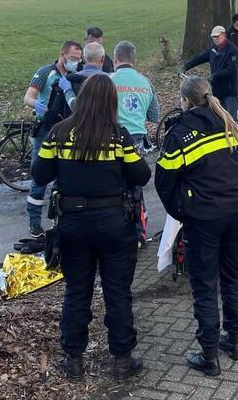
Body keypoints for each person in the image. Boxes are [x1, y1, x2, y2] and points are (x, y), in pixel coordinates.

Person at [31, 75, 151, 381]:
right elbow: (141, 175)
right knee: (117, 292)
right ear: (111, 102)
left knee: (76, 292)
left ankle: (74, 360)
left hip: (73, 225)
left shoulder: (58, 134)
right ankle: (122, 361)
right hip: (114, 226)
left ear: (82, 98)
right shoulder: (119, 136)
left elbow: (39, 173)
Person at [155, 76, 238, 376]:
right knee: (232, 276)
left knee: (204, 284)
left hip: (204, 217)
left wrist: (181, 211)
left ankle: (209, 354)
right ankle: (235, 342)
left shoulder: (179, 134)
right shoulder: (231, 122)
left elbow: (164, 182)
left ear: (185, 101)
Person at [23, 40, 83, 239]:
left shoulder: (77, 75)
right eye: (73, 58)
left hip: (67, 131)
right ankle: (34, 222)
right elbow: (28, 97)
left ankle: (60, 220)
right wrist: (36, 105)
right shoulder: (45, 72)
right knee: (39, 176)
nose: (76, 62)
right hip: (46, 130)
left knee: (64, 177)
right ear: (63, 55)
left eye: (79, 58)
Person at [110, 40, 160, 245]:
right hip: (137, 138)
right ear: (134, 60)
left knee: (114, 184)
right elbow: (155, 115)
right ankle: (140, 233)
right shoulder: (145, 82)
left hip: (112, 137)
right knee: (135, 186)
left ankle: (116, 232)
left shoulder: (109, 80)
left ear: (115, 59)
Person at [182, 25, 238, 118]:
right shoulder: (213, 49)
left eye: (218, 36)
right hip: (216, 88)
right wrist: (186, 66)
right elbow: (200, 58)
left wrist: (214, 76)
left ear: (224, 35)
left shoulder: (232, 50)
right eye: (214, 37)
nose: (215, 39)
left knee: (231, 119)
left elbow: (231, 70)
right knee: (216, 117)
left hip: (229, 90)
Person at [60, 41, 110, 110]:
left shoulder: (70, 80)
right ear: (103, 58)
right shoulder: (111, 79)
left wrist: (67, 90)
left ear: (83, 58)